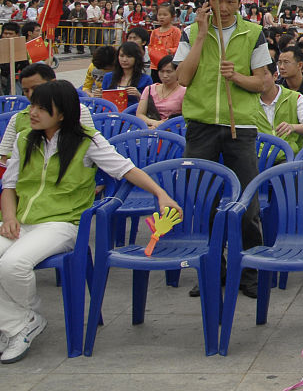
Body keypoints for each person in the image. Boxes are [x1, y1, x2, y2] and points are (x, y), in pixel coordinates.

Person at [0, 80, 178, 362]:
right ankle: (20, 321)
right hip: (21, 221)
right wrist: (9, 216)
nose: (32, 112)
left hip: (61, 224)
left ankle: (19, 324)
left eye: (42, 108)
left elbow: (126, 169)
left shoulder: (87, 142)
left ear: (62, 113)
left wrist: (161, 194)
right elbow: (8, 186)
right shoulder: (25, 140)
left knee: (12, 265)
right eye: (32, 105)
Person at [174, 0, 273, 299]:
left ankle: (250, 273)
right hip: (201, 125)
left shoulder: (253, 33)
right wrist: (202, 35)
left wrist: (237, 77)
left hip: (240, 126)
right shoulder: (190, 32)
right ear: (208, 0)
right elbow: (183, 78)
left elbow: (262, 83)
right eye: (220, 0)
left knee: (247, 204)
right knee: (203, 202)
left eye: (232, 0)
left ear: (240, 0)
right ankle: (209, 270)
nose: (226, 7)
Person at [255, 67, 303, 157]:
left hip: (288, 157)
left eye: (264, 74)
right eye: (255, 75)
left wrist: (292, 127)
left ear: (275, 76)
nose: (259, 79)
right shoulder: (249, 101)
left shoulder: (296, 97)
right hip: (257, 156)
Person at [136, 56, 186, 127]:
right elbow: (139, 114)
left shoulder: (184, 91)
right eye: (162, 71)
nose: (165, 75)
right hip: (151, 127)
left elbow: (186, 117)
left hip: (173, 129)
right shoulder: (149, 89)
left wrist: (164, 126)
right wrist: (154, 123)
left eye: (169, 72)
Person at [101, 41, 152, 108]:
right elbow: (103, 102)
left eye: (129, 56)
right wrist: (99, 96)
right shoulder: (108, 77)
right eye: (121, 56)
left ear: (136, 58)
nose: (124, 60)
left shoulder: (146, 79)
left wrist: (139, 95)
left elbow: (151, 105)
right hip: (111, 115)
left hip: (134, 115)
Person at [147, 4, 182, 82]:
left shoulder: (175, 31)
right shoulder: (155, 32)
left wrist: (169, 51)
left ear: (172, 17)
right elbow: (150, 46)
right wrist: (152, 53)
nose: (161, 17)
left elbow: (179, 48)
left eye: (165, 15)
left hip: (170, 66)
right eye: (159, 15)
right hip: (155, 66)